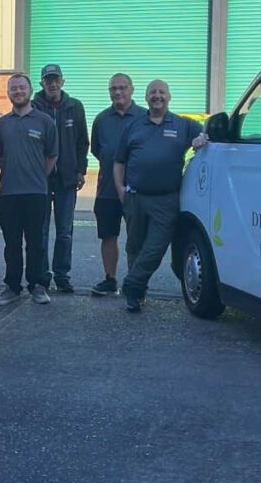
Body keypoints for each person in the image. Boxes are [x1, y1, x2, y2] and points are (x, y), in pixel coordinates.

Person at [113, 79, 208, 312]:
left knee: (155, 247)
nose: (157, 96)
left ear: (169, 97)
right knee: (134, 247)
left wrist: (202, 138)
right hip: (135, 197)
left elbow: (208, 132)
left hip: (166, 200)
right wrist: (121, 191)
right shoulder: (133, 125)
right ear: (146, 98)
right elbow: (119, 162)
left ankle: (132, 284)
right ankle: (136, 295)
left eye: (162, 92)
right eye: (153, 92)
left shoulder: (183, 125)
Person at [0, 73, 59, 306]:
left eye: (22, 87)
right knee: (11, 244)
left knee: (35, 243)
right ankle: (12, 287)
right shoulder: (2, 124)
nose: (18, 91)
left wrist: (39, 176)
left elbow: (52, 155)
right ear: (8, 93)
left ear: (30, 91)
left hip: (36, 193)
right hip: (9, 193)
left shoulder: (44, 121)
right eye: (13, 88)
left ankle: (37, 285)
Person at [31, 64, 88, 293]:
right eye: (48, 80)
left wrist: (81, 170)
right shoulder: (33, 107)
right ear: (42, 83)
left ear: (63, 82)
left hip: (66, 180)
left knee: (64, 230)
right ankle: (42, 276)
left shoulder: (75, 107)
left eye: (56, 80)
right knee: (41, 231)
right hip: (40, 179)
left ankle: (62, 275)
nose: (52, 84)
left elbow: (82, 141)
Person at [89, 73, 143, 296]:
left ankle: (135, 282)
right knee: (108, 236)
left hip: (137, 190)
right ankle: (110, 279)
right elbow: (97, 150)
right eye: (114, 88)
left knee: (136, 238)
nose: (118, 92)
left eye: (122, 87)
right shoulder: (101, 120)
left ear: (132, 89)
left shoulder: (144, 117)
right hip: (107, 190)